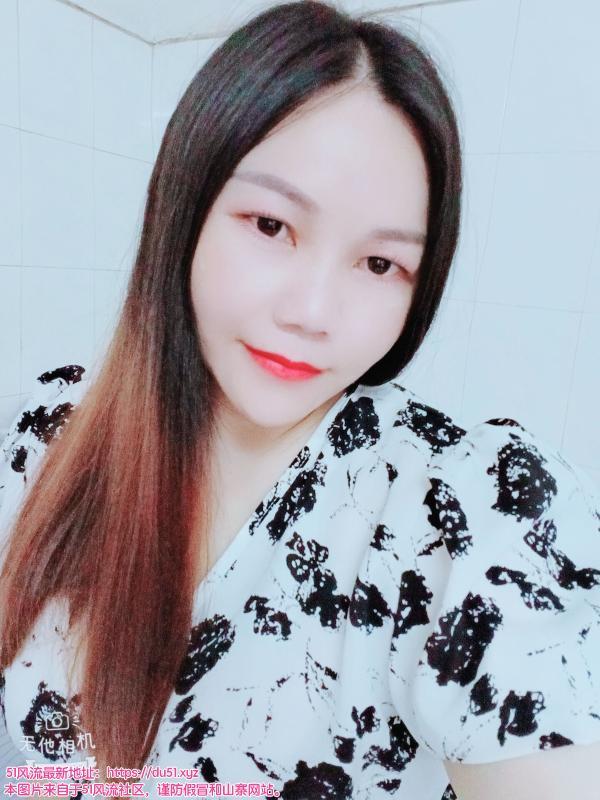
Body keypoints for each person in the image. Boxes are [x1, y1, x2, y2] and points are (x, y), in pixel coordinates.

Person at [0, 2, 599, 799]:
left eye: (379, 265)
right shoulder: (48, 434)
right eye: (271, 224)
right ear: (186, 209)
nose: (313, 313)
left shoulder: (466, 517)